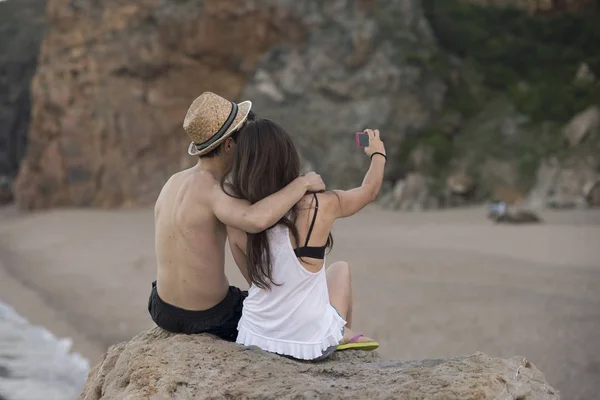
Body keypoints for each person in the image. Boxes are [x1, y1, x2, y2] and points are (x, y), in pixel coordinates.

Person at [148, 92, 326, 341]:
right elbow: (255, 220)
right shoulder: (214, 190)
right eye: (244, 138)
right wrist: (302, 184)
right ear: (229, 145)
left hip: (161, 308)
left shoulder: (173, 182)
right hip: (207, 316)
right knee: (270, 316)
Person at [226, 118, 386, 361]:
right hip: (307, 342)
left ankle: (340, 331)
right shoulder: (320, 204)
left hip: (255, 336)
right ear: (287, 157)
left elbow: (256, 279)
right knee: (340, 270)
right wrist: (377, 154)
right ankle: (340, 333)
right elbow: (369, 190)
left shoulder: (238, 216)